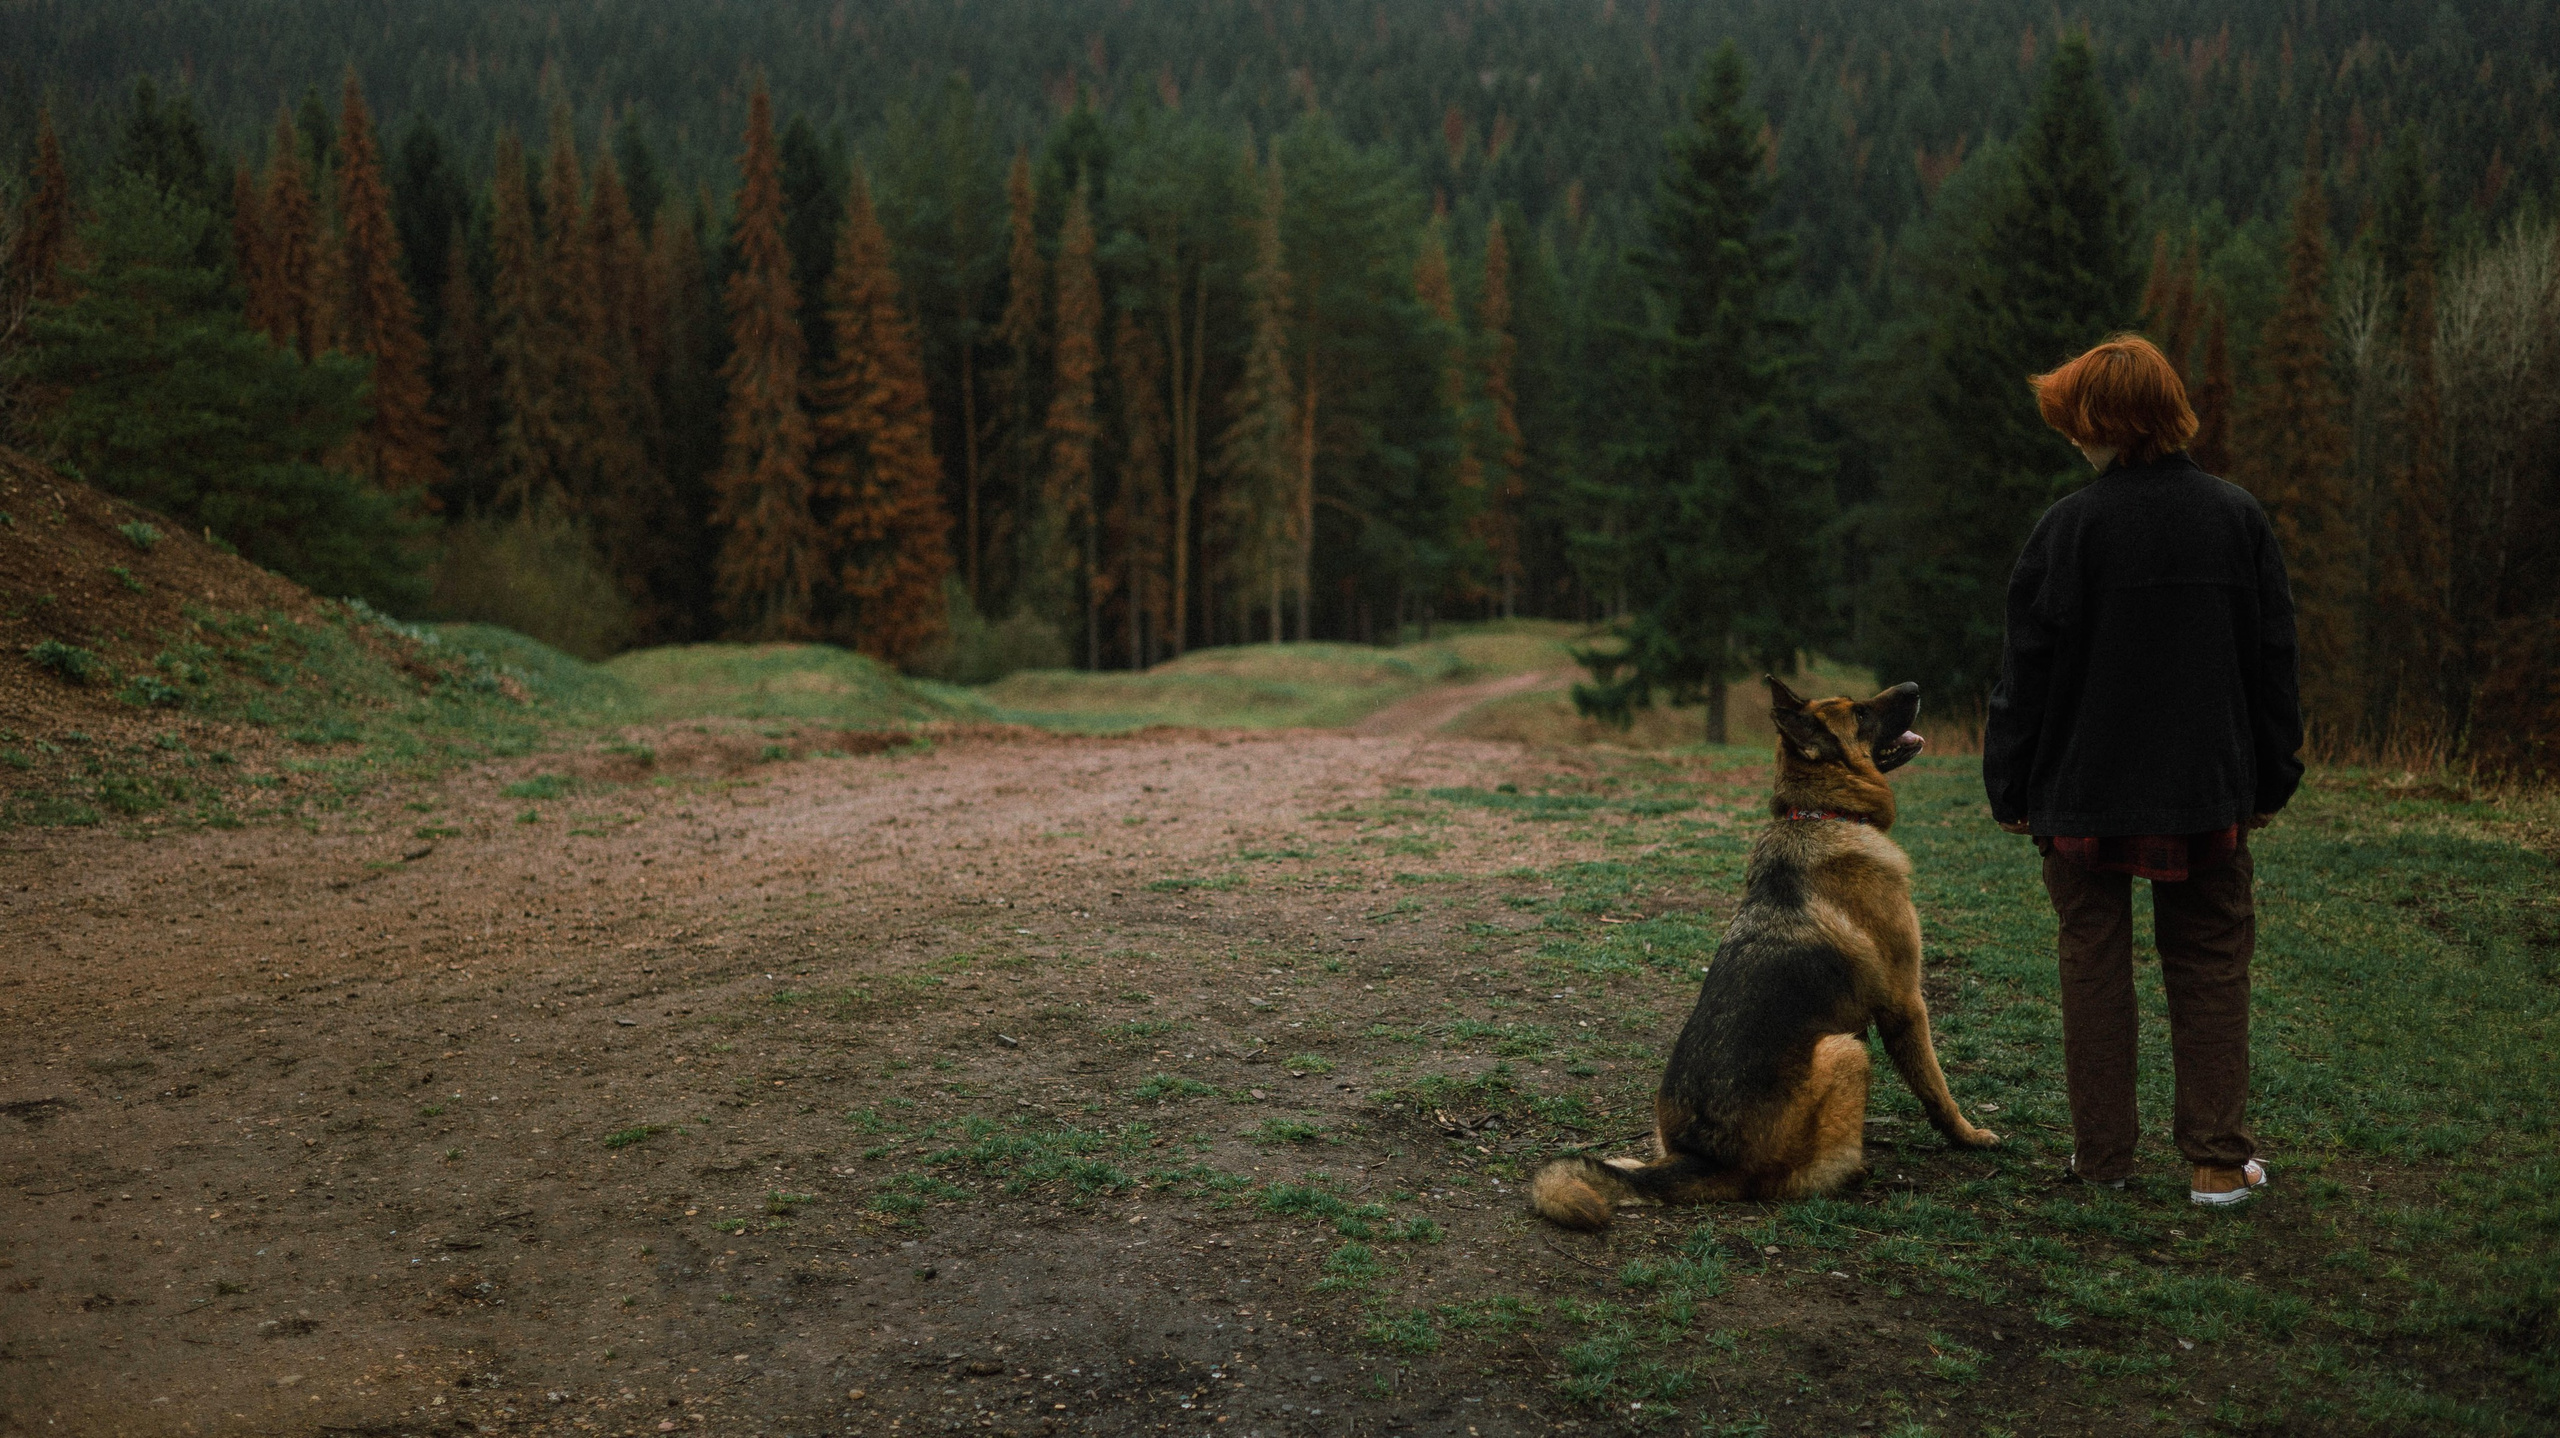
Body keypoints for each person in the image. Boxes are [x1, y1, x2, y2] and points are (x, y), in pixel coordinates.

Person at [1981, 334, 2303, 1207]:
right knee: (2208, 959)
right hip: (2207, 791)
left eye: (2076, 421)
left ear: (2108, 424)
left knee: (2094, 961)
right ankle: (2214, 1163)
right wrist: (2271, 780)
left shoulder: (2068, 529)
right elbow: (2274, 662)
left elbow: (2026, 678)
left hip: (2082, 792)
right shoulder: (2238, 519)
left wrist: (2009, 787)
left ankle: (2104, 1163)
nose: (2069, 438)